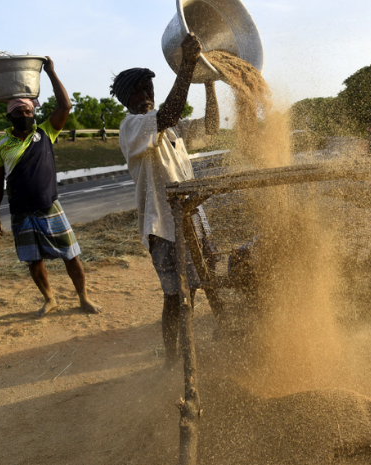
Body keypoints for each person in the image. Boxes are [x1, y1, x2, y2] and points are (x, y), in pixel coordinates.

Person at [110, 33, 219, 362]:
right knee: (176, 294)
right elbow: (169, 113)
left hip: (194, 220)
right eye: (136, 92)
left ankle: (221, 327)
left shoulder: (171, 129)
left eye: (147, 88)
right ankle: (173, 356)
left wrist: (209, 81)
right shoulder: (133, 127)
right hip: (164, 226)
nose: (144, 95)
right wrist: (187, 66)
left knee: (208, 278)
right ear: (126, 100)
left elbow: (212, 126)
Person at [0, 57, 102, 318]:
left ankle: (84, 298)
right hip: (20, 212)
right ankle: (50, 299)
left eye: (29, 112)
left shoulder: (45, 133)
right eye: (20, 112)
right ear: (9, 115)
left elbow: (65, 105)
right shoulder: (0, 145)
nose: (26, 115)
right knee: (33, 260)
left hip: (49, 206)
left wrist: (51, 72)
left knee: (71, 256)